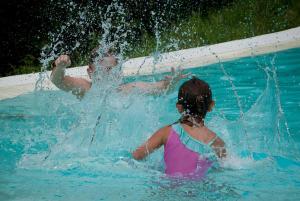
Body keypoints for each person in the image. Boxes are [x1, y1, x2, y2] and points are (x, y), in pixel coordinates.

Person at [132, 77, 226, 178]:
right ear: (211, 105)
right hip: (200, 189)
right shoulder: (217, 142)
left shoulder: (166, 132)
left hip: (168, 188)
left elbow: (137, 155)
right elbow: (223, 167)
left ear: (179, 107)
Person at [50, 51, 187, 98]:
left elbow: (161, 88)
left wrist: (172, 81)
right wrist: (60, 66)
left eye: (113, 70)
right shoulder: (85, 89)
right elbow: (58, 81)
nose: (110, 75)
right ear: (90, 72)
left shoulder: (128, 89)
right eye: (105, 71)